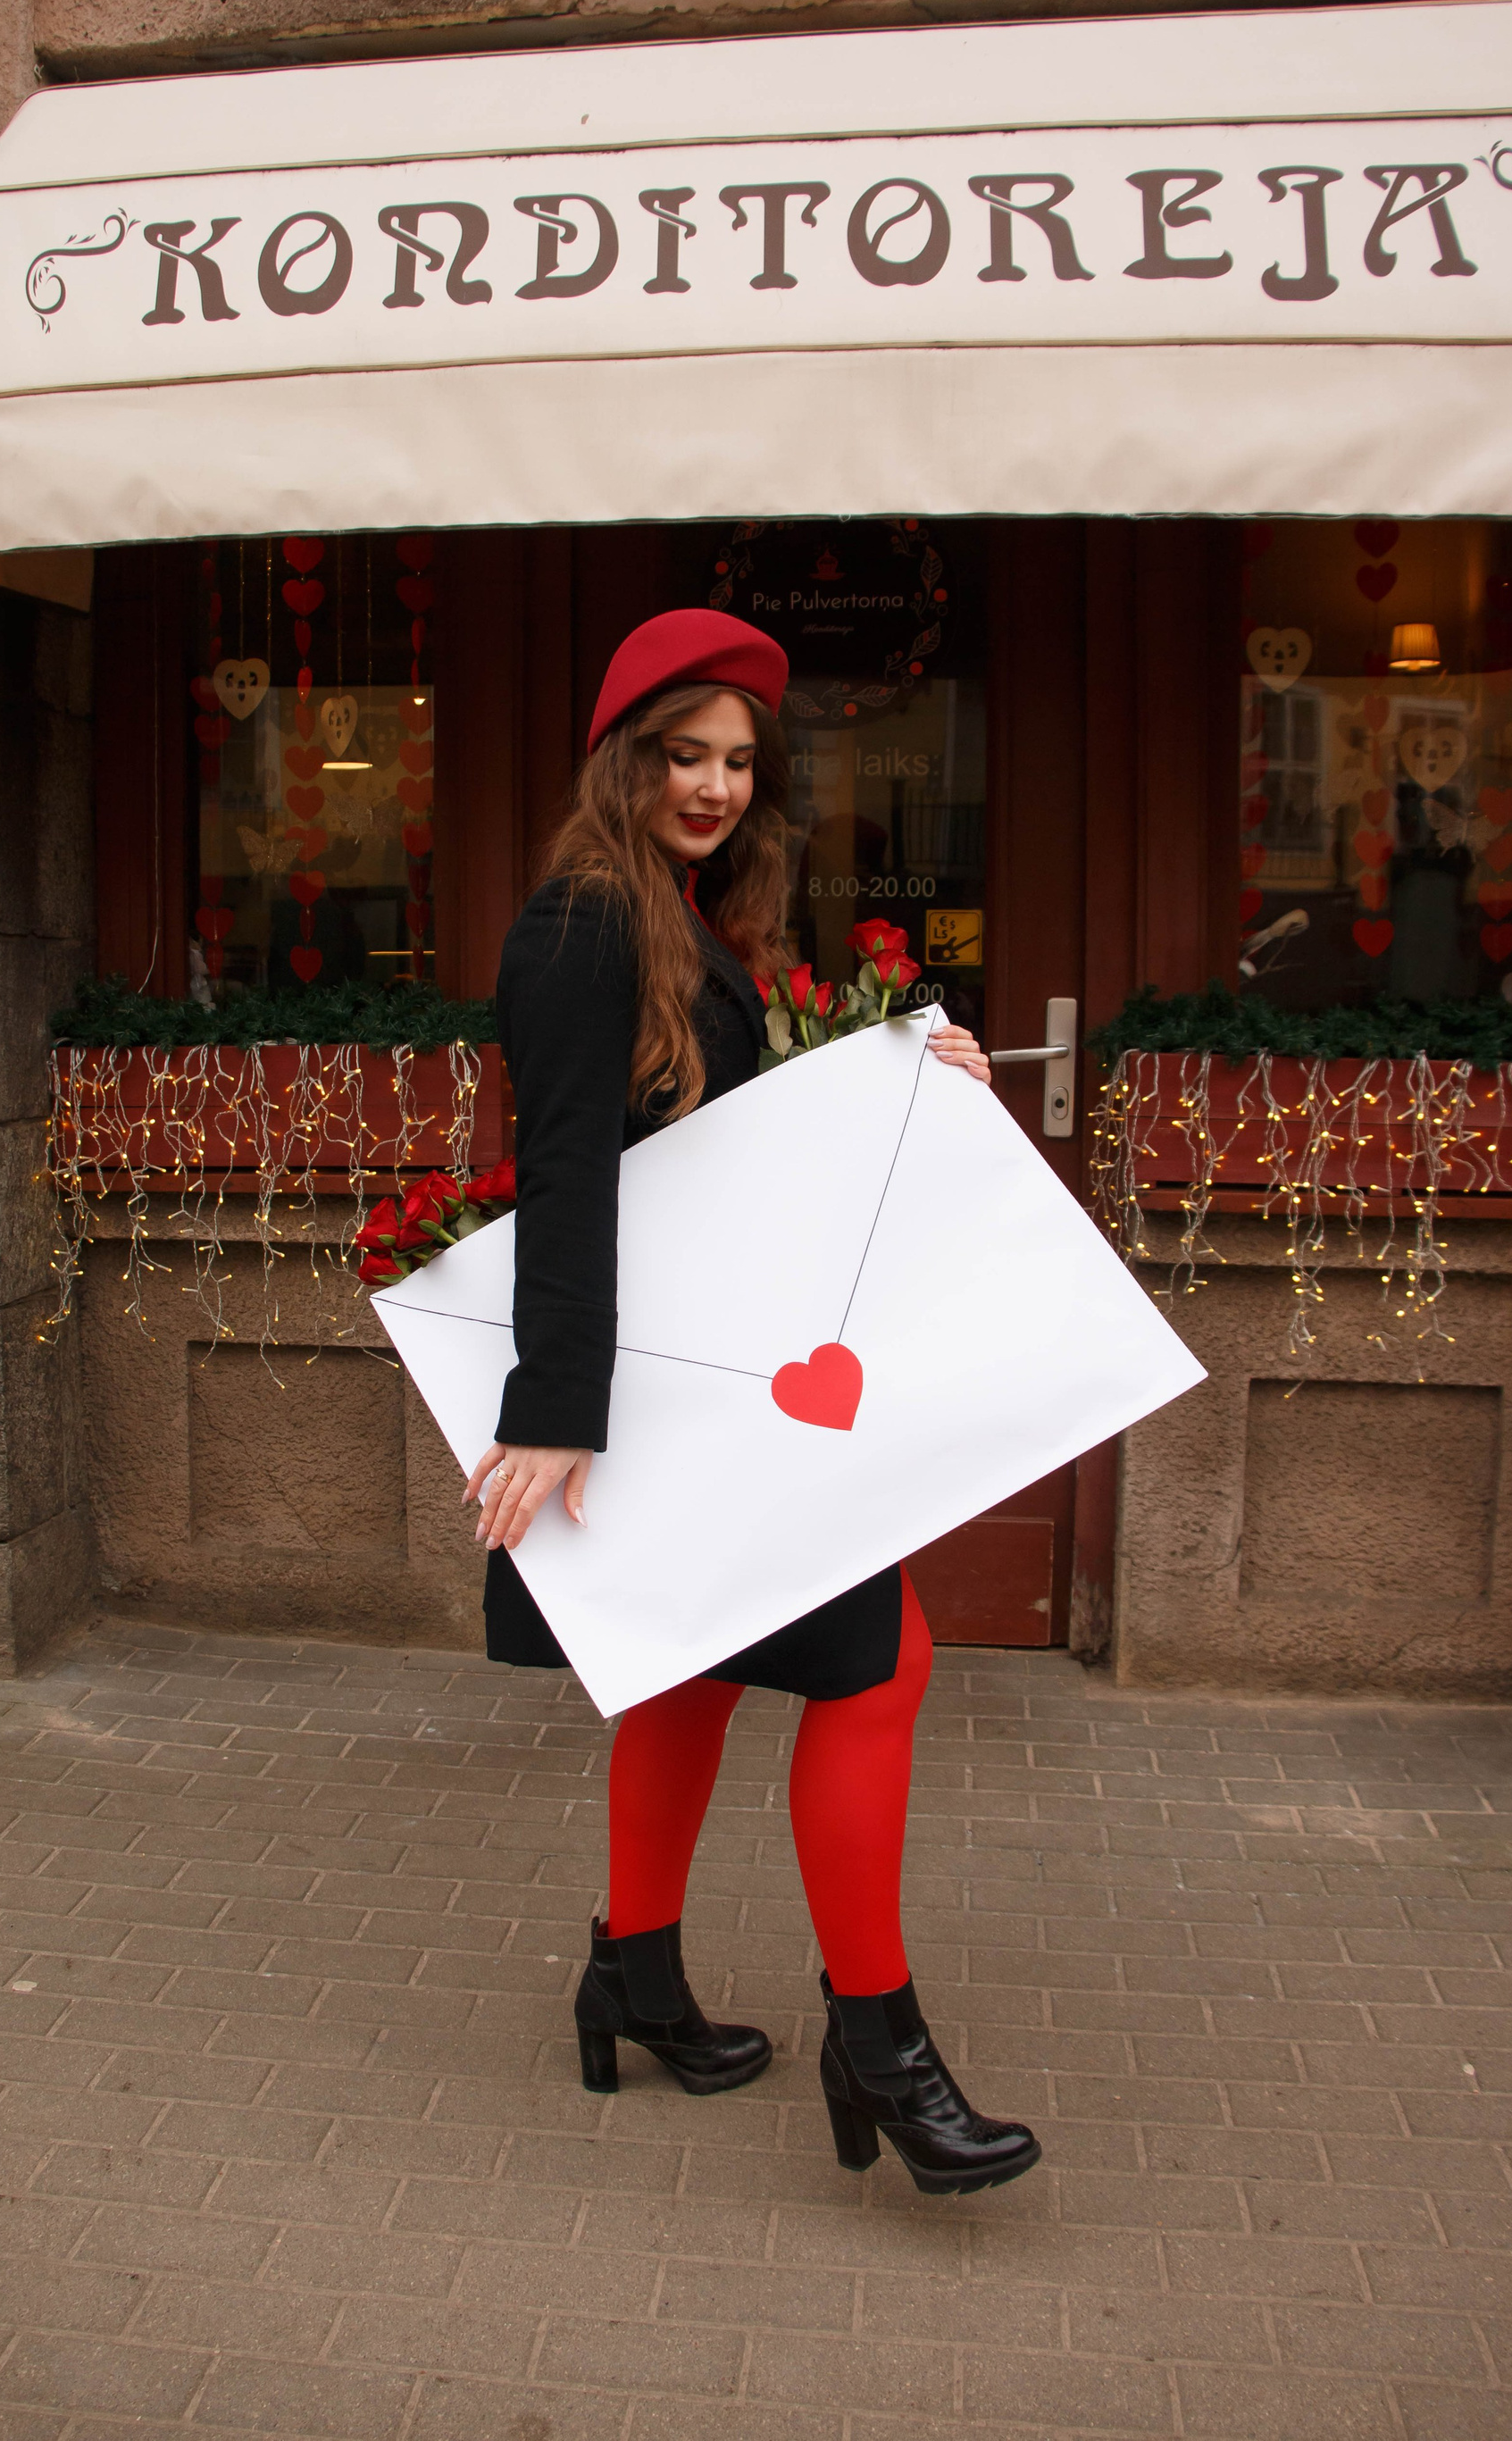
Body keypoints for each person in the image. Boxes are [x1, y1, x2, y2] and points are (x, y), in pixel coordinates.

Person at [463, 609, 1040, 2198]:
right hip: (662, 1391)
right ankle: (881, 2047)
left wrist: (920, 1074)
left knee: (690, 1676)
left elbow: (741, 1145)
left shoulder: (683, 918)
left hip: (710, 1384)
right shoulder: (584, 925)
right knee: (881, 1665)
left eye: (735, 762)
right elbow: (567, 1174)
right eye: (683, 754)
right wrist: (554, 1407)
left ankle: (632, 1978)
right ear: (624, 758)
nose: (713, 785)